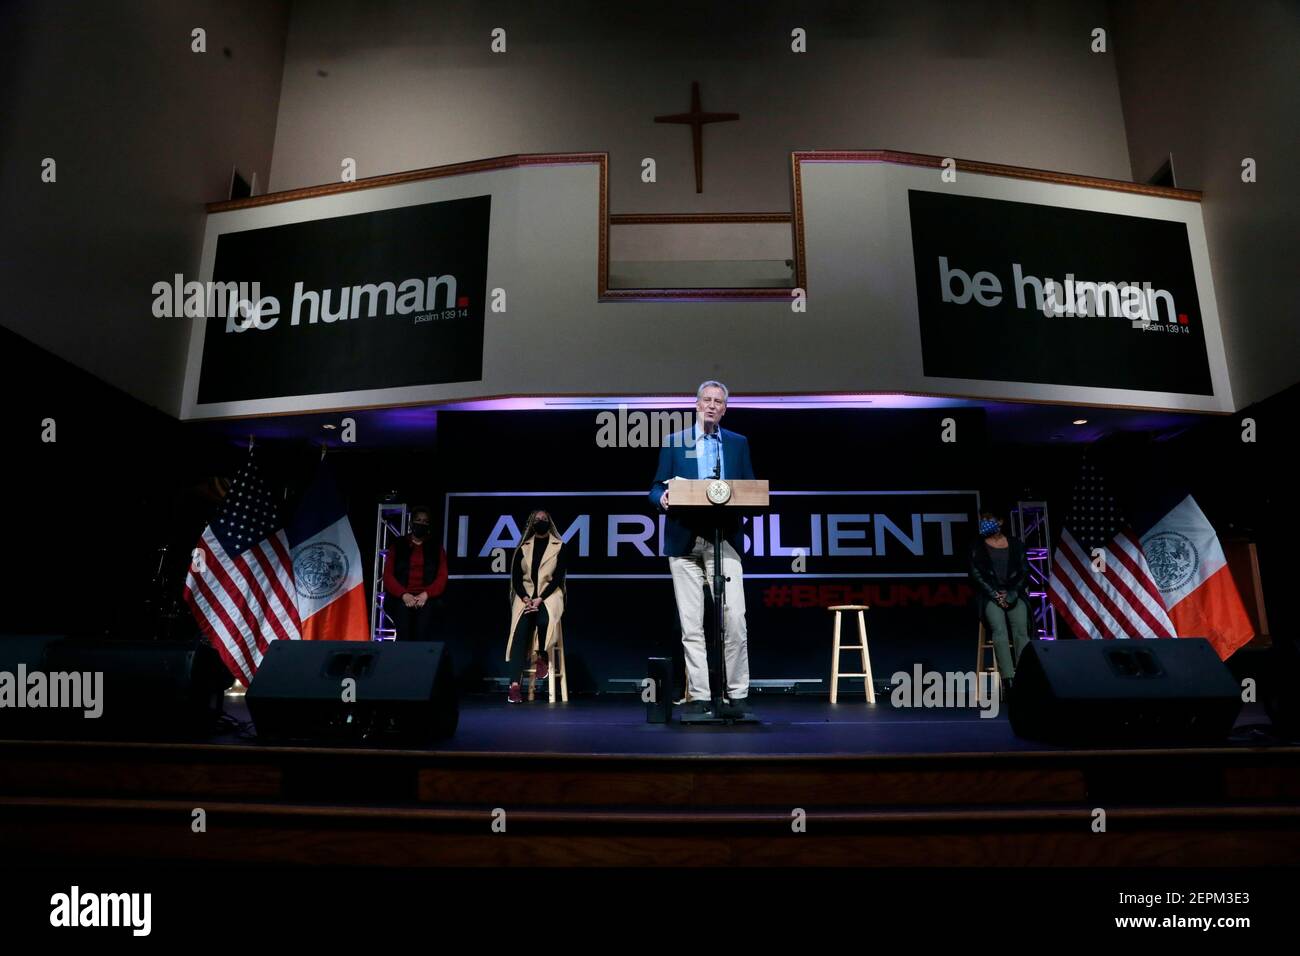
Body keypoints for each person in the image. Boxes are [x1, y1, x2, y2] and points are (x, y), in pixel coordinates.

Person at [648, 380, 756, 717]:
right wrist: (662, 498)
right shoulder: (674, 442)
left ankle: (737, 695)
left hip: (724, 540)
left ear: (725, 408)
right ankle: (700, 697)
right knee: (691, 624)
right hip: (683, 542)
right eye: (706, 400)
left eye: (718, 401)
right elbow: (654, 488)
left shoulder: (738, 444)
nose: (711, 405)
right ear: (696, 404)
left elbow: (750, 488)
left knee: (735, 618)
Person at [505, 509, 568, 704]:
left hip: (549, 594)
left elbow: (558, 578)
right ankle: (514, 686)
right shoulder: (523, 547)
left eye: (544, 518)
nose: (540, 521)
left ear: (550, 522)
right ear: (531, 523)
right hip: (525, 596)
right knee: (520, 631)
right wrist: (525, 598)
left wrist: (540, 599)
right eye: (537, 519)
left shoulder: (559, 547)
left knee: (543, 619)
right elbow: (516, 578)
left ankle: (541, 656)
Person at [969, 512, 1032, 685]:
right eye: (982, 520)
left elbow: (1024, 573)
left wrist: (1011, 594)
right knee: (999, 629)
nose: (984, 523)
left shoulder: (1016, 545)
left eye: (989, 520)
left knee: (1021, 629)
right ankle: (1008, 679)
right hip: (990, 595)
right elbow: (976, 575)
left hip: (1013, 593)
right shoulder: (977, 546)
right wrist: (995, 595)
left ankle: (1024, 676)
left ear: (1000, 521)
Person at [382, 505, 448, 641]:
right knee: (404, 631)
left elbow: (442, 577)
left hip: (426, 598)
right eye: (418, 520)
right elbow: (388, 576)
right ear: (411, 523)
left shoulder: (436, 547)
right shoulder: (398, 545)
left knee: (423, 633)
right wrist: (404, 594)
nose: (421, 523)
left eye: (425, 521)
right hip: (401, 598)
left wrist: (426, 594)